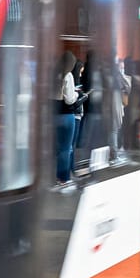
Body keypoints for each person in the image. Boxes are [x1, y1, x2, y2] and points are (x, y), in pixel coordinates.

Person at [54, 50, 81, 191]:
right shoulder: (67, 75)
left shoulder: (53, 73)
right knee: (66, 148)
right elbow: (70, 99)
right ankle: (64, 179)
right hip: (66, 115)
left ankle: (58, 177)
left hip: (54, 115)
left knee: (59, 148)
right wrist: (76, 93)